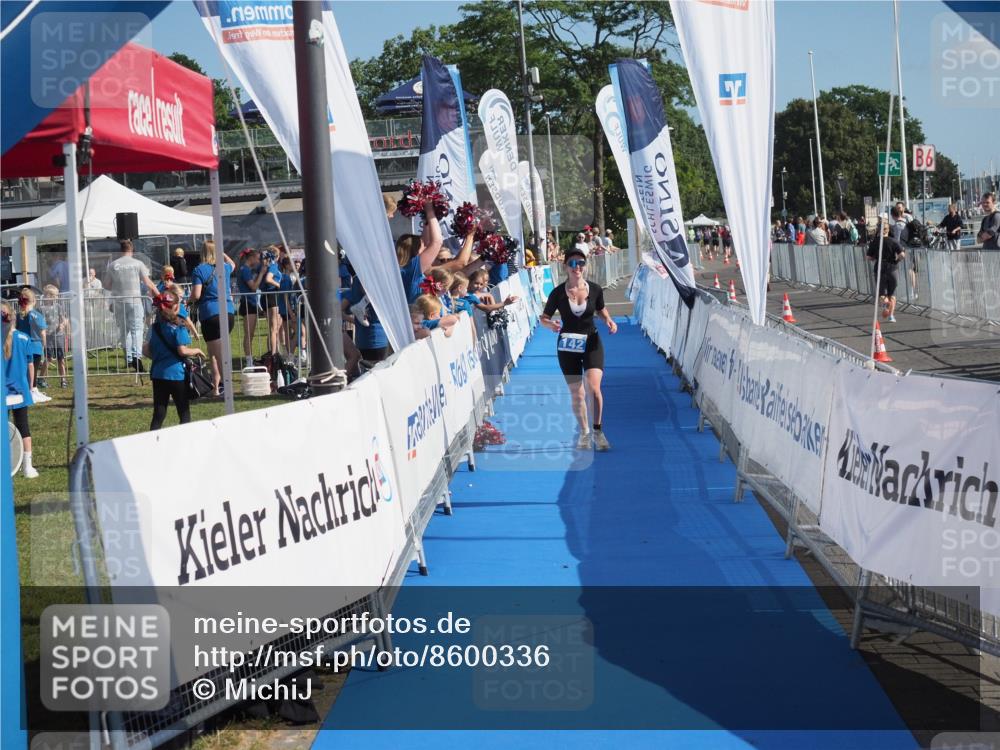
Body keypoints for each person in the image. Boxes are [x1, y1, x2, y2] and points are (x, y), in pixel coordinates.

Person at [540, 244, 617, 452]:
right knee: (577, 393)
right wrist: (551, 325)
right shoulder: (557, 293)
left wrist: (609, 320)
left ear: (585, 265)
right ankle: (584, 432)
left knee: (593, 388)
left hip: (591, 342)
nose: (577, 267)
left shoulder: (595, 289)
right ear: (565, 266)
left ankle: (598, 431)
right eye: (572, 263)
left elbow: (600, 309)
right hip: (568, 345)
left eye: (581, 263)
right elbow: (543, 318)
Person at [143, 289, 205, 430]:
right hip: (176, 374)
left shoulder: (154, 328)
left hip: (158, 373)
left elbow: (145, 350)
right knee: (183, 411)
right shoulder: (179, 327)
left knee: (159, 413)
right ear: (176, 307)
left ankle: (152, 439)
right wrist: (196, 350)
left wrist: (159, 357)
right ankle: (184, 439)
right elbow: (182, 351)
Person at [189, 240, 236, 396]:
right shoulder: (225, 267)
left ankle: (227, 387)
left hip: (211, 313)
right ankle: (216, 386)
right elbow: (233, 263)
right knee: (215, 352)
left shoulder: (199, 270)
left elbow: (196, 294)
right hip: (228, 312)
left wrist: (188, 300)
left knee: (217, 354)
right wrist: (221, 252)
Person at [107, 239, 158, 372]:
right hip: (135, 301)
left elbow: (107, 285)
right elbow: (148, 282)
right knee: (137, 330)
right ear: (132, 250)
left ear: (120, 250)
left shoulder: (113, 265)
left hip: (119, 301)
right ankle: (136, 357)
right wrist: (159, 296)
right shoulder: (138, 263)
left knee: (125, 331)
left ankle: (129, 358)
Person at [3, 300, 39, 477]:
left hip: (3, 391)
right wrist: (31, 387)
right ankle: (27, 467)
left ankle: (6, 464)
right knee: (23, 427)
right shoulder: (24, 338)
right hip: (21, 391)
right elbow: (30, 365)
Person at [396, 199, 444, 304]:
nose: (426, 248)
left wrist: (427, 217)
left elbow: (426, 240)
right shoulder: (411, 268)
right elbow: (436, 242)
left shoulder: (405, 268)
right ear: (415, 251)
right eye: (423, 247)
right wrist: (429, 209)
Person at [866, 220, 906, 323]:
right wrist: (896, 260)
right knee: (892, 294)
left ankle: (885, 304)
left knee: (882, 293)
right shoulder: (893, 241)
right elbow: (902, 255)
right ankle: (891, 316)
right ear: (888, 230)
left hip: (880, 268)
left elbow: (868, 257)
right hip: (892, 268)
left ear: (879, 230)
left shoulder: (875, 242)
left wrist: (874, 257)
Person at [15, 288, 49, 401]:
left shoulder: (18, 315)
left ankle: (32, 389)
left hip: (22, 346)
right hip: (35, 346)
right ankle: (32, 390)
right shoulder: (37, 315)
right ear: (34, 301)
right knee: (33, 370)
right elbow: (43, 333)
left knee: (25, 370)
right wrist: (44, 345)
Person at [39, 285, 68, 389]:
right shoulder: (40, 309)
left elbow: (63, 319)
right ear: (48, 295)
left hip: (59, 336)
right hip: (48, 337)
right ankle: (41, 379)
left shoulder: (58, 306)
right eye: (55, 295)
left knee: (61, 359)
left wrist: (62, 324)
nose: (56, 297)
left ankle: (63, 379)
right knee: (48, 358)